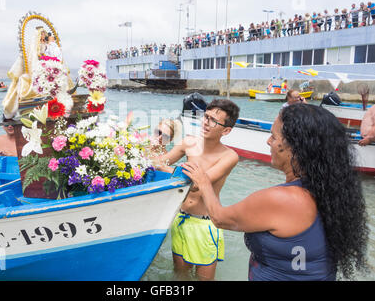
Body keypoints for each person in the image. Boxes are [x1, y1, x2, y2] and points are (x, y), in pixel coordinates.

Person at [181, 104, 369, 281]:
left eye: (274, 136)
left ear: (295, 147)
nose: (268, 141)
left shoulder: (282, 199)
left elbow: (220, 218)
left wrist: (204, 182)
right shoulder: (331, 191)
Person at [153, 99, 240, 281]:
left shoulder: (229, 156)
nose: (206, 122)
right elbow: (159, 162)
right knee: (180, 275)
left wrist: (164, 167)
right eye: (206, 117)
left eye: (213, 121)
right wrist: (156, 146)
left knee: (204, 280)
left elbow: (198, 185)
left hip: (205, 224)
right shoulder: (189, 143)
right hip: (181, 218)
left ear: (226, 130)